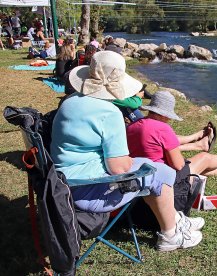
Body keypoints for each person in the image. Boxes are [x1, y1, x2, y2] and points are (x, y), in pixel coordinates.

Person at [50, 51, 203, 251]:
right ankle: (170, 235)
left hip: (64, 183)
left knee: (151, 169)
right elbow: (119, 168)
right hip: (87, 191)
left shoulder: (70, 102)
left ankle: (175, 219)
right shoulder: (108, 112)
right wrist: (134, 161)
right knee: (161, 172)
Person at [126, 91, 217, 212]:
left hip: (140, 182)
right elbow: (178, 165)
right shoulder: (163, 128)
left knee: (198, 167)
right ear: (165, 114)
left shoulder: (132, 126)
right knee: (203, 158)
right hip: (162, 182)